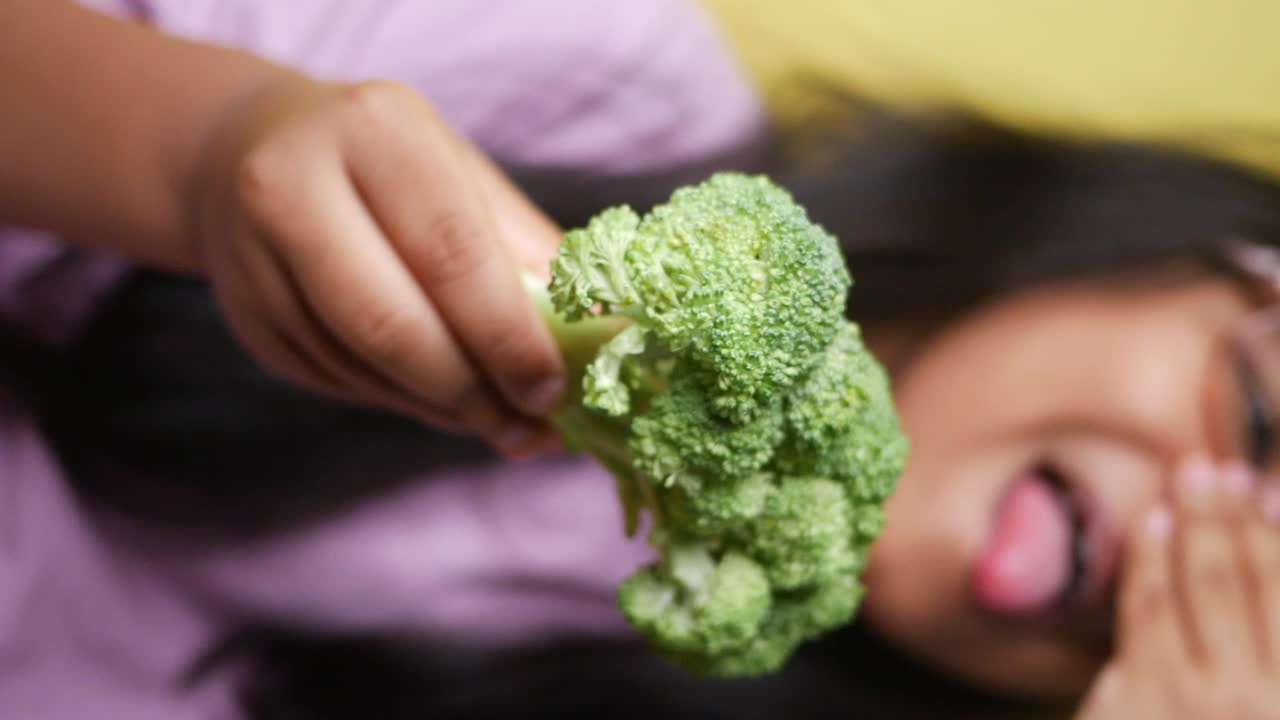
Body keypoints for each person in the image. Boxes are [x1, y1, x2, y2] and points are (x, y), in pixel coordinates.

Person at [4, 3, 1280, 720]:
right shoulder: (591, 79)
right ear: (1169, 249)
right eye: (1259, 418)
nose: (1194, 550)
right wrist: (209, 148)